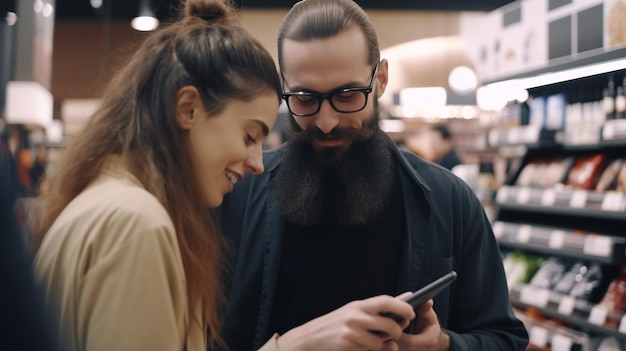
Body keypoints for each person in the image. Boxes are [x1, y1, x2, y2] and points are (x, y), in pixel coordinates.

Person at [217, 0, 530, 350]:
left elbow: (504, 339)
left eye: (348, 96)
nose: (326, 122)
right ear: (282, 84)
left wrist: (444, 345)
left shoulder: (450, 201)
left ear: (380, 79)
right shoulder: (235, 194)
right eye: (305, 99)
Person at [29, 0, 285, 349]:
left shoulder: (106, 199)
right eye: (250, 136)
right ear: (188, 108)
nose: (257, 163)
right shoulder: (136, 224)